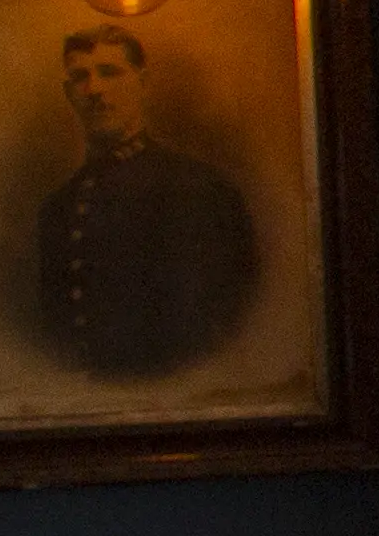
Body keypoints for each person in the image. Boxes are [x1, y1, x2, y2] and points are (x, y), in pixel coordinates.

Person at [37, 24, 257, 377]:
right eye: (80, 77)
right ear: (68, 94)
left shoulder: (199, 187)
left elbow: (226, 319)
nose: (94, 89)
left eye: (109, 72)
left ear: (142, 83)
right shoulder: (57, 207)